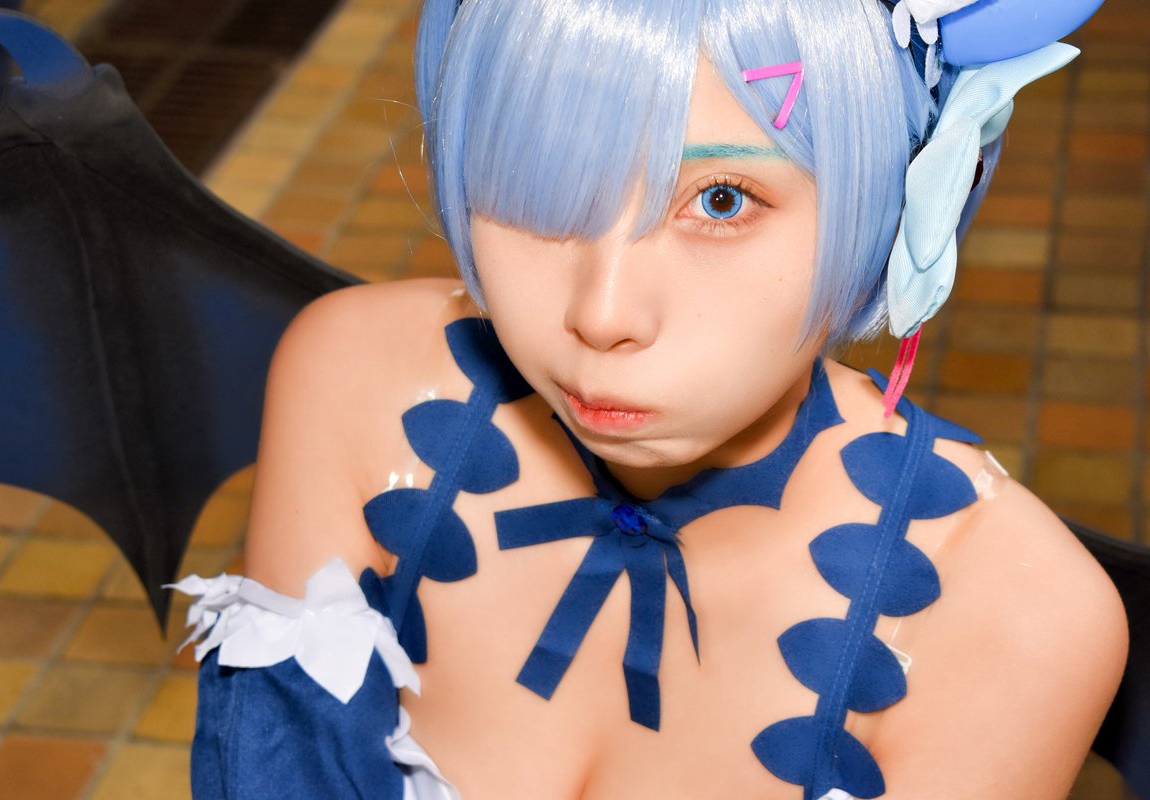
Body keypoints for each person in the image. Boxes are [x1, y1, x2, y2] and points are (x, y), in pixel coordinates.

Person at [176, 1, 1128, 797]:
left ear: (898, 197)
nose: (602, 314)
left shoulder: (1013, 620)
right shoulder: (358, 384)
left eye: (721, 200)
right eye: (541, 182)